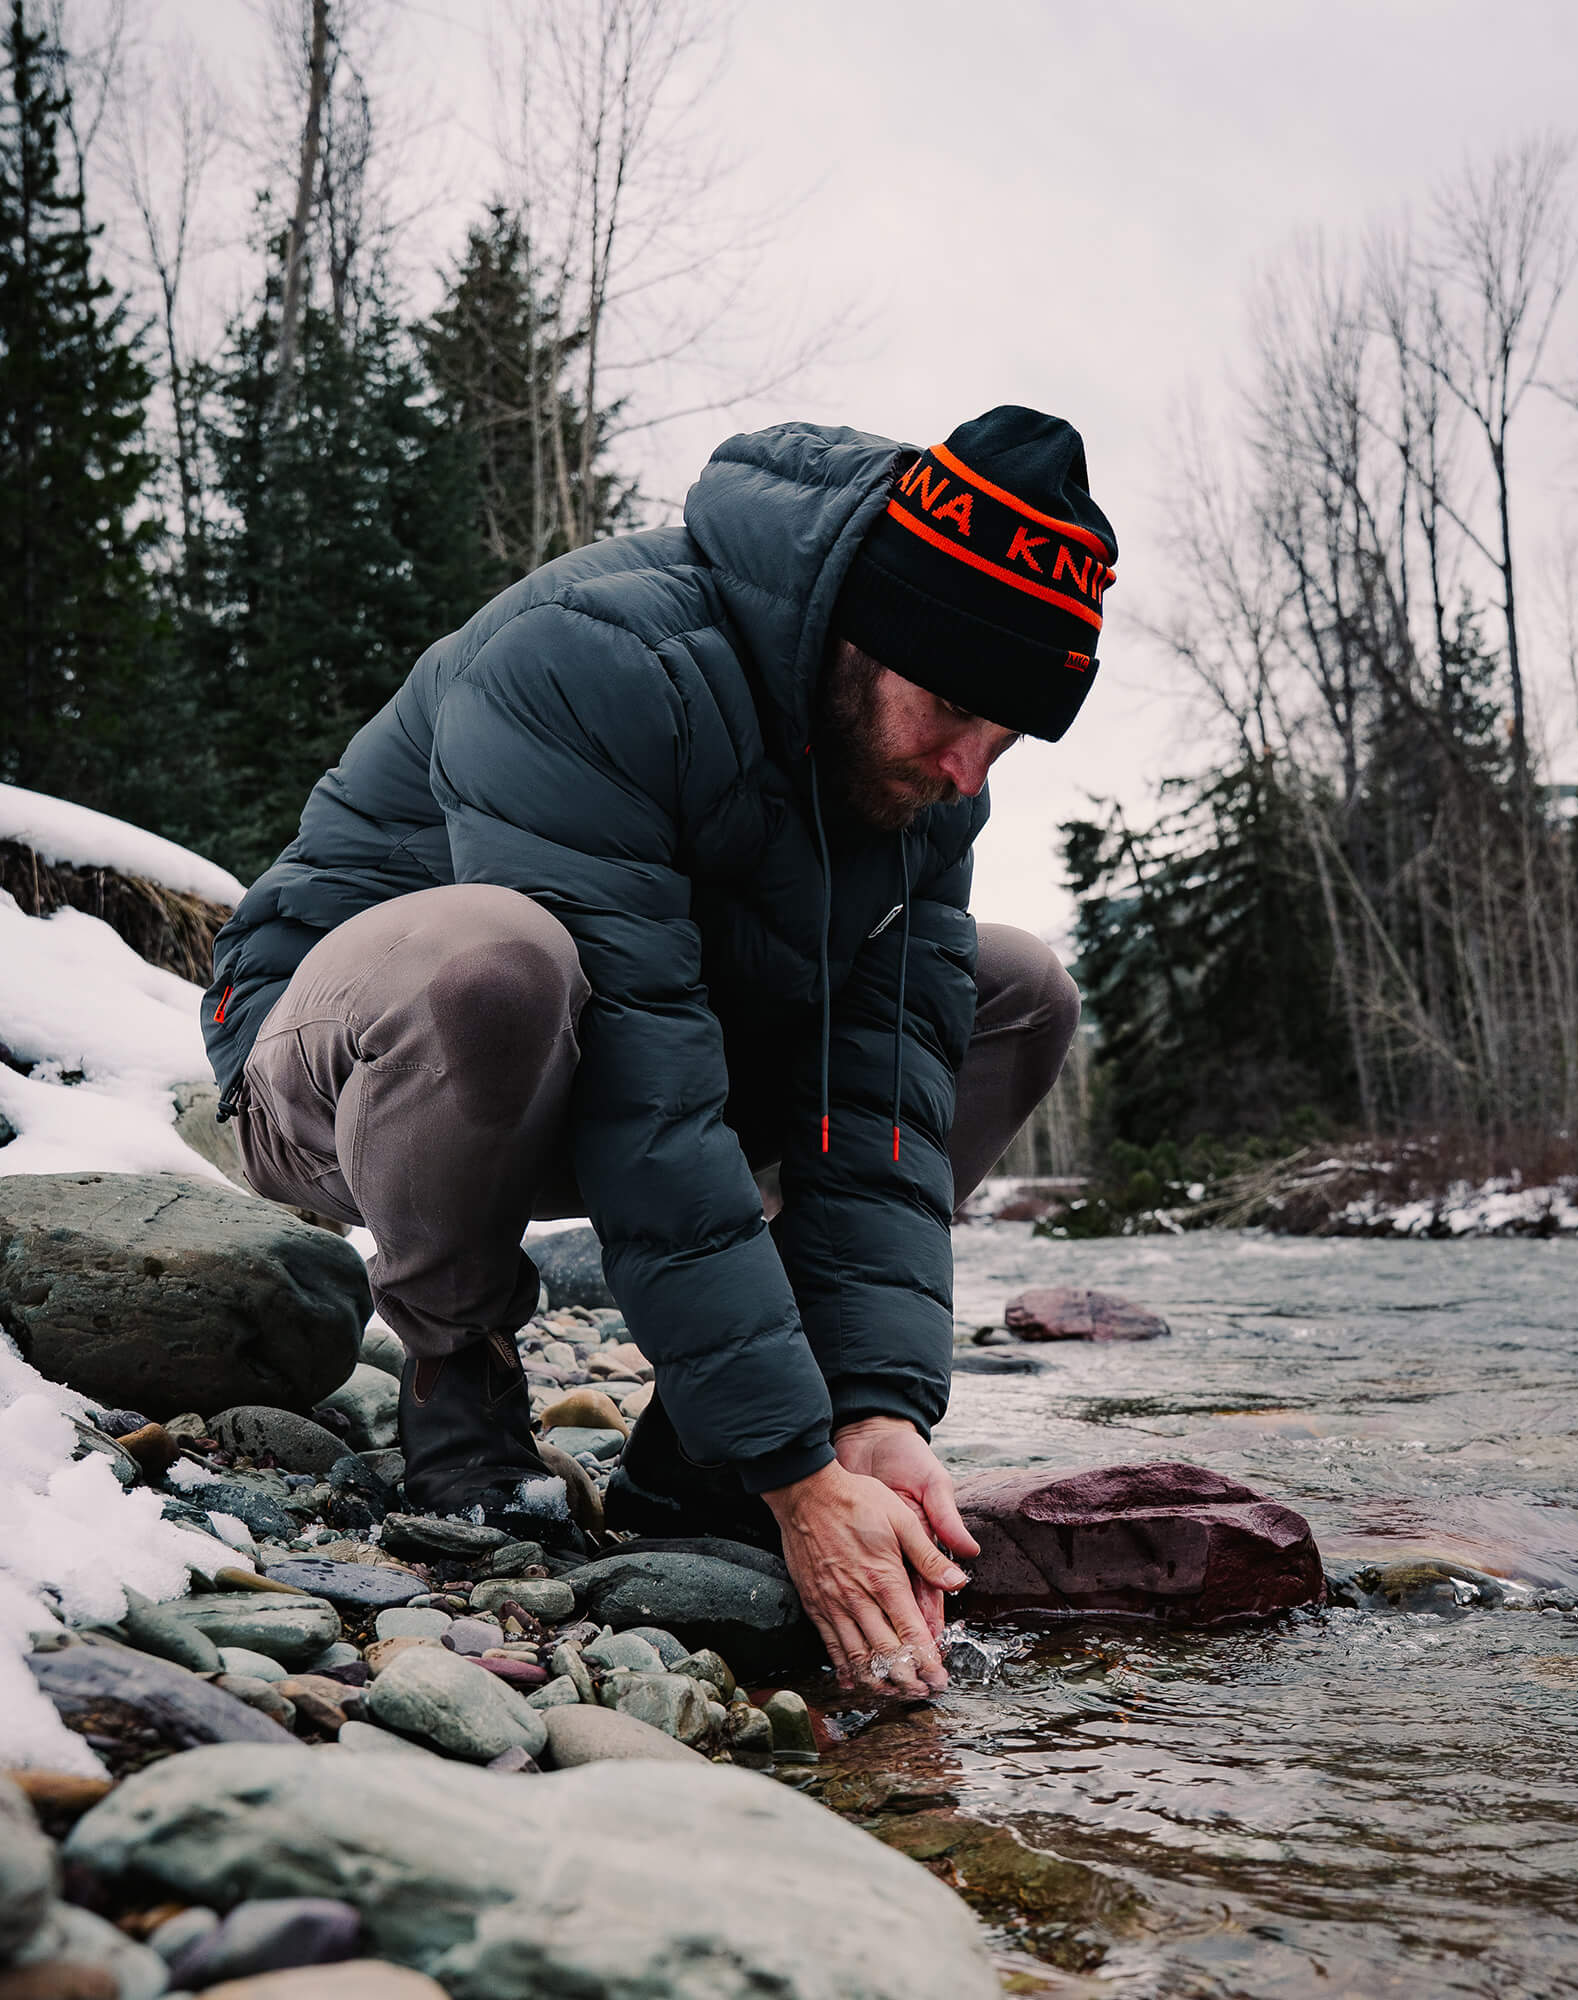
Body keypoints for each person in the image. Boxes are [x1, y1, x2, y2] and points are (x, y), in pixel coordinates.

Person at [200, 408, 1116, 1696]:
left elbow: (881, 1105)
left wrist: (869, 1410)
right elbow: (647, 1079)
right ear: (861, 635)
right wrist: (796, 1475)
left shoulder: (914, 773)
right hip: (340, 1068)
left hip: (591, 1076)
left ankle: (686, 1458)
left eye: (1009, 737)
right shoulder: (597, 657)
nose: (973, 773)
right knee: (498, 954)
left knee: (1016, 987)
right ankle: (459, 1382)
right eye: (958, 711)